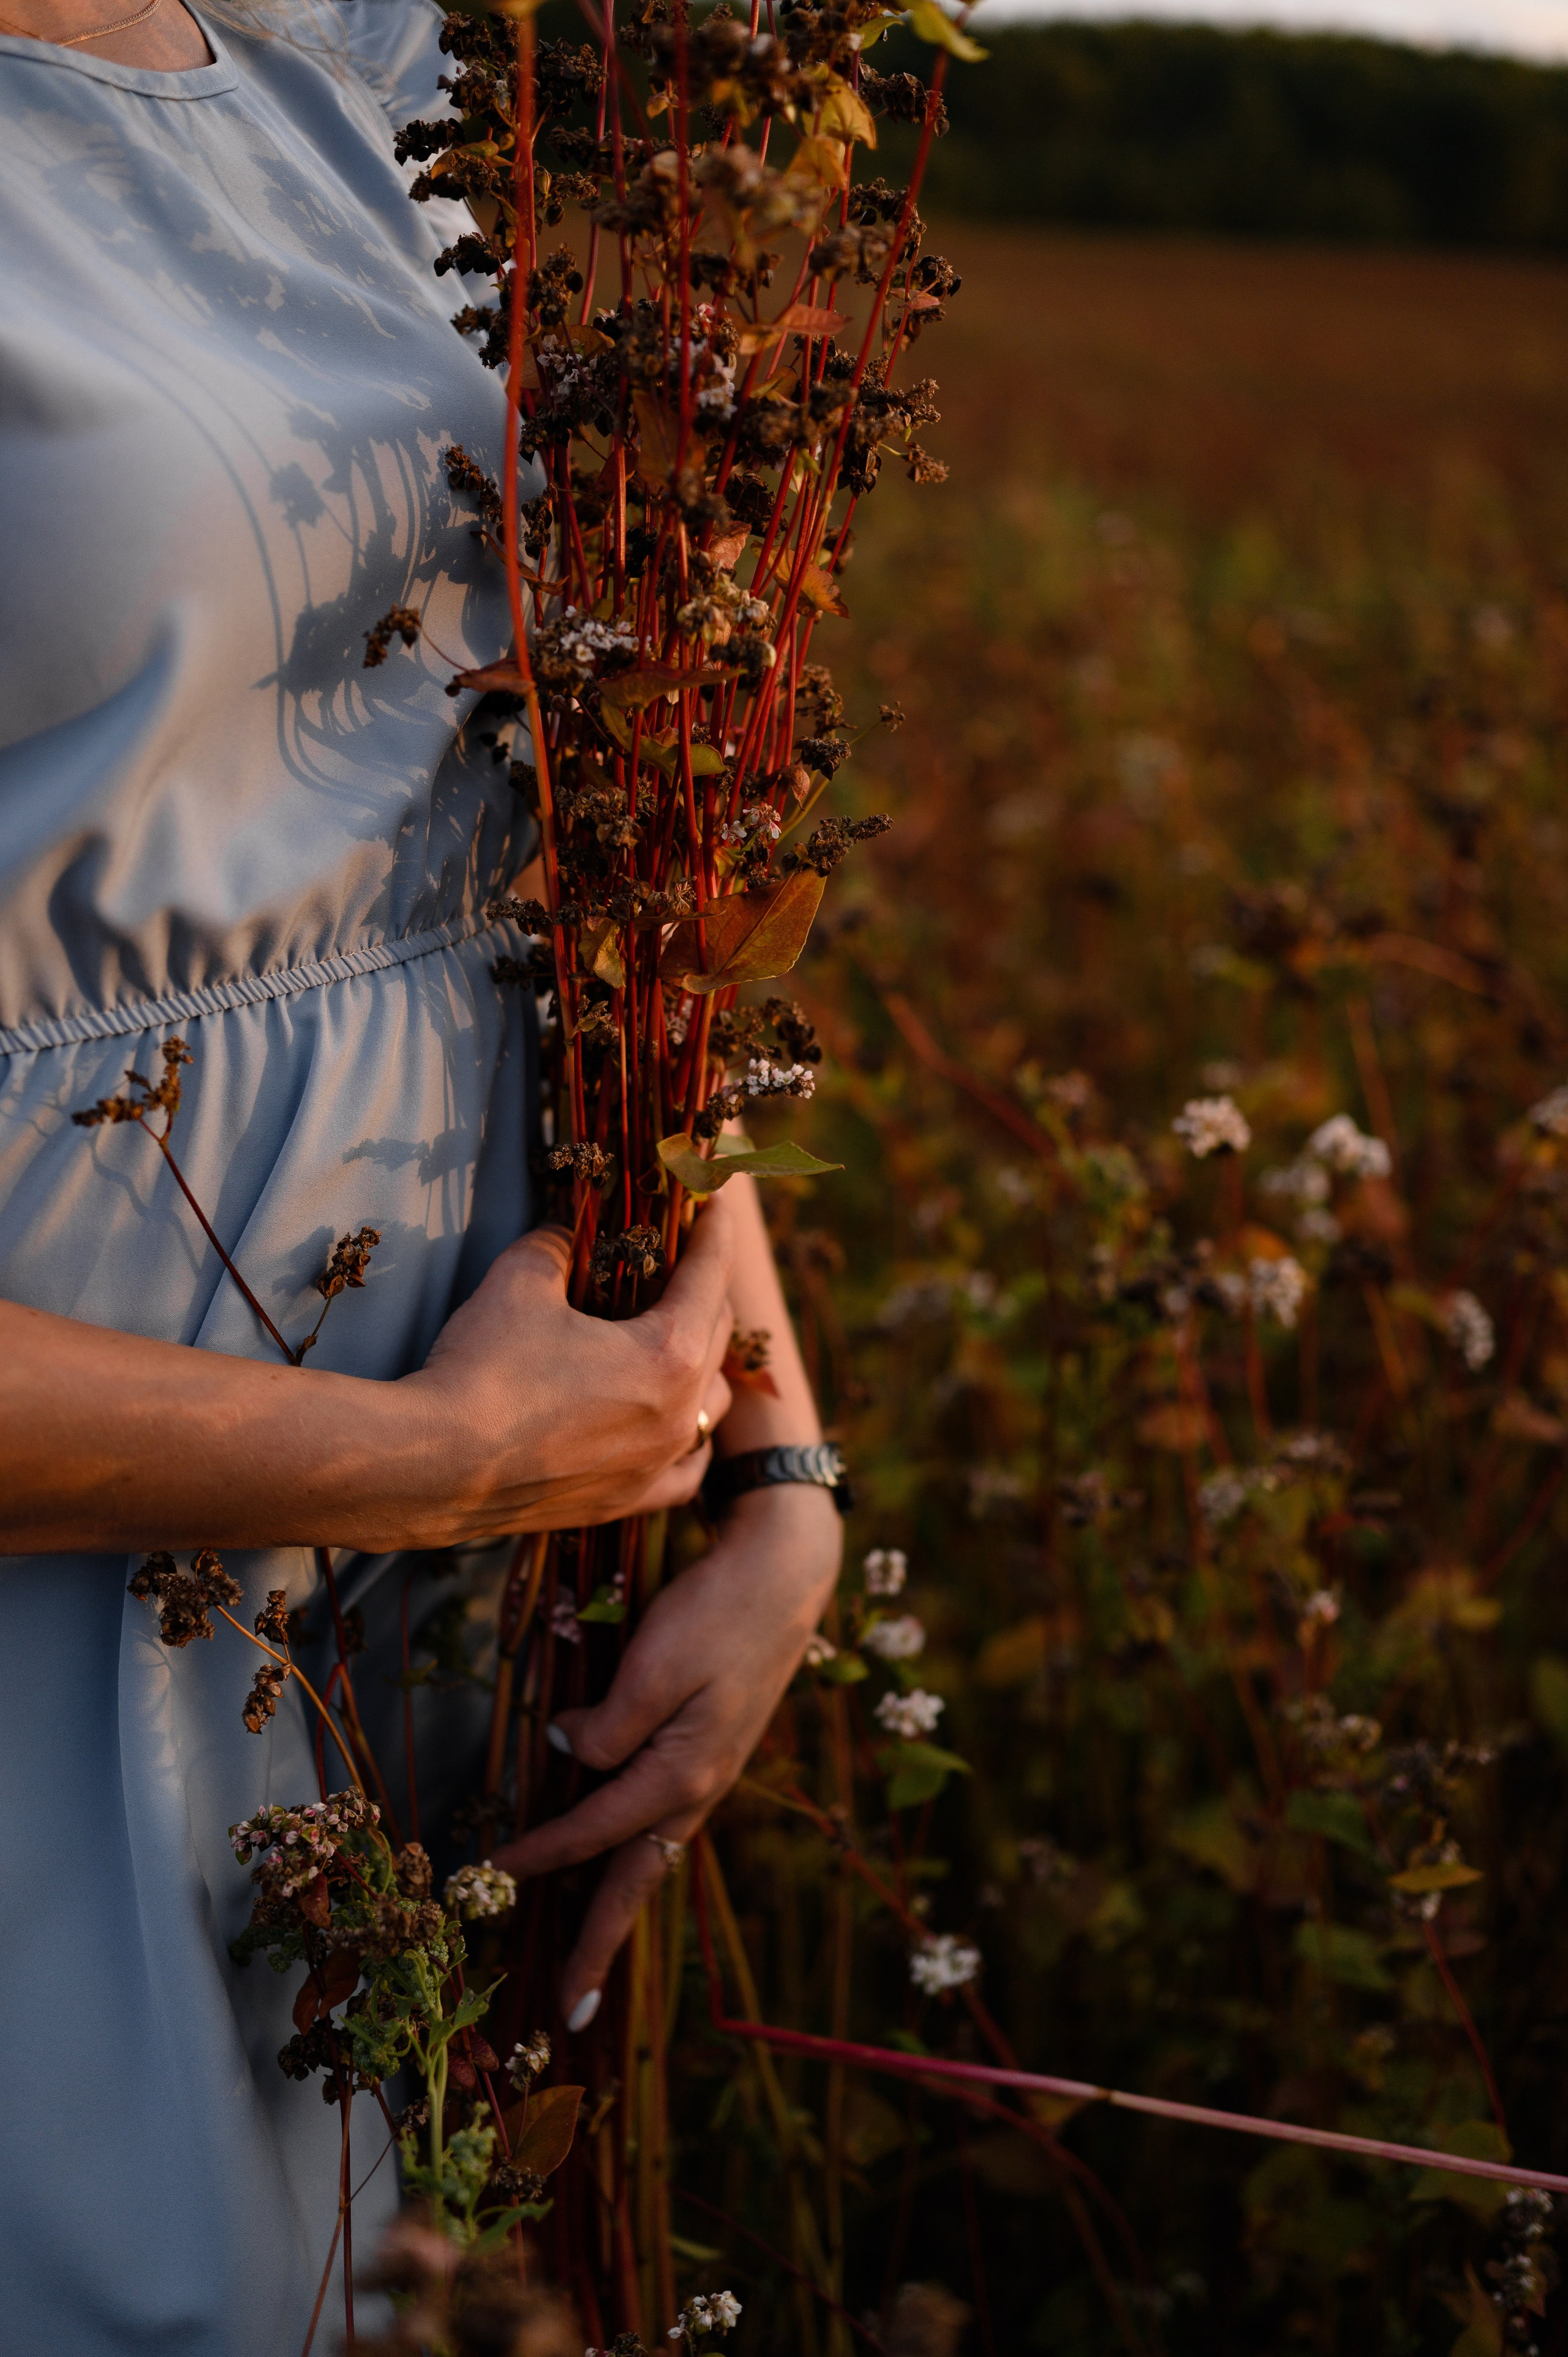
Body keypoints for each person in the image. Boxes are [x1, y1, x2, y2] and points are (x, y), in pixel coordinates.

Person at [0, 2, 842, 2347]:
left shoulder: (362, 55)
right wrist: (429, 1461)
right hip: (71, 1615)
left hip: (433, 1627)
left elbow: (549, 850)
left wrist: (767, 1447)